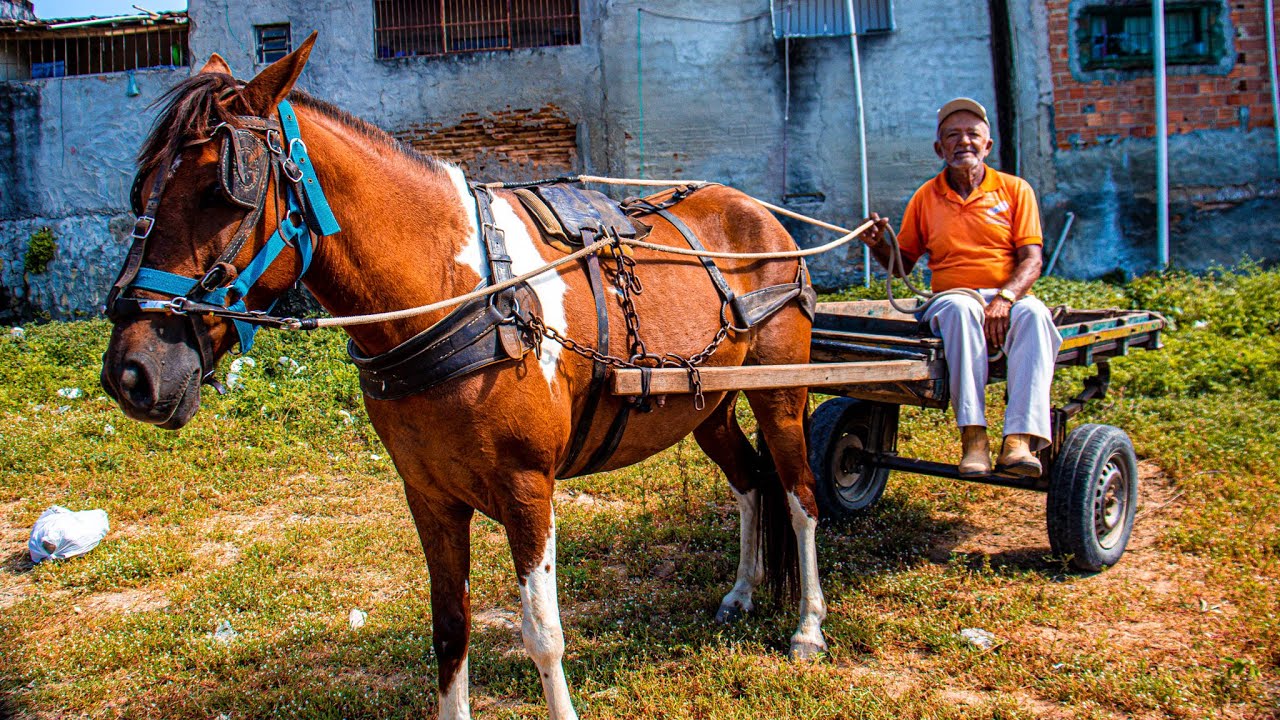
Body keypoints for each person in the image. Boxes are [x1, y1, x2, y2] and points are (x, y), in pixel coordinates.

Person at [860, 97, 1062, 477]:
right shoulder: (925, 197)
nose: (963, 142)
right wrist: (878, 245)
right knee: (960, 308)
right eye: (953, 136)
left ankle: (1019, 441)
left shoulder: (1015, 190)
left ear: (988, 145)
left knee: (1036, 315)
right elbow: (903, 265)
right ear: (940, 149)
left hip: (1007, 297)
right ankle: (974, 437)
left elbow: (1032, 261)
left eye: (972, 134)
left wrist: (1005, 298)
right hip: (952, 299)